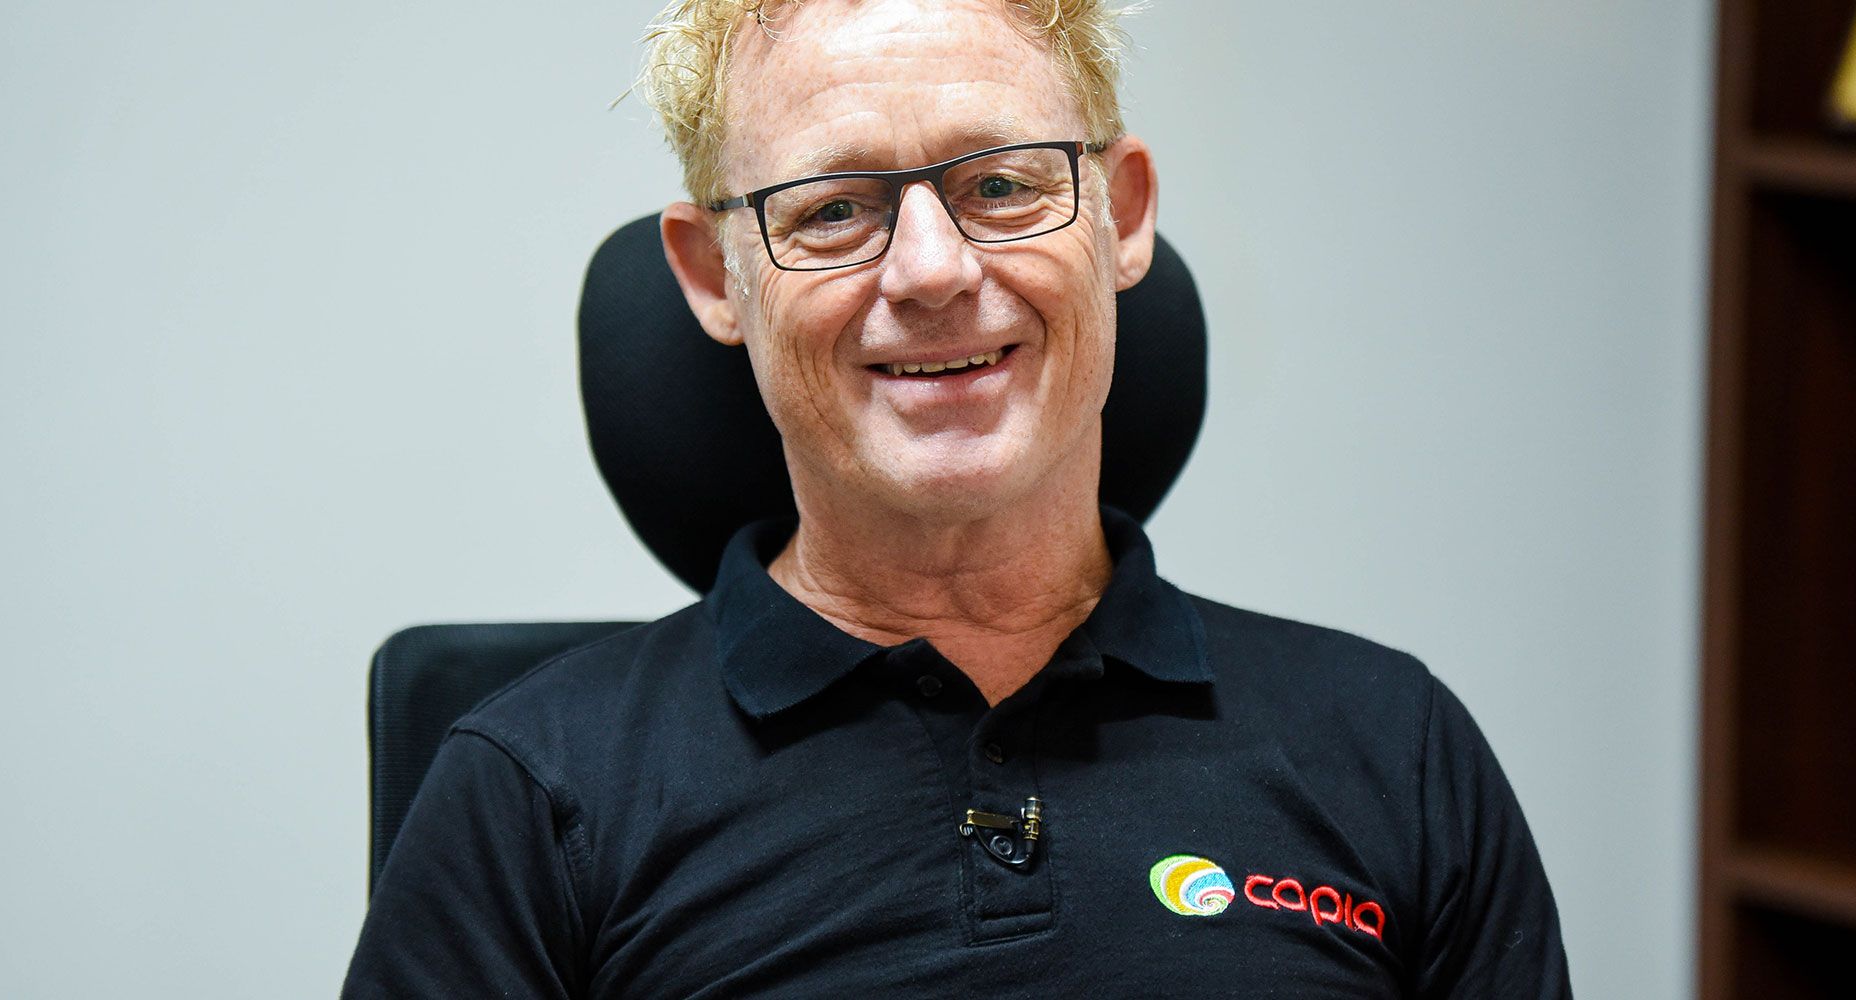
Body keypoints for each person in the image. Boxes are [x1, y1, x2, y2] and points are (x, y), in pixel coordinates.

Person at [342, 0, 1572, 996]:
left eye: (1000, 186)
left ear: (1122, 213)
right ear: (715, 275)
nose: (932, 271)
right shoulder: (534, 791)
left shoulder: (1393, 751)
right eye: (833, 209)